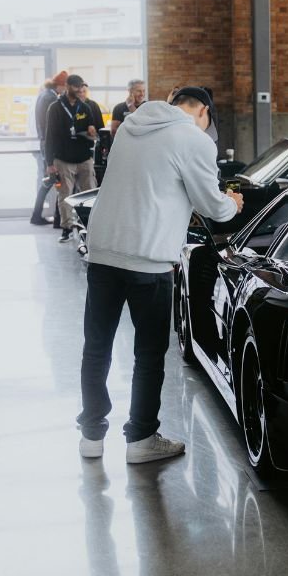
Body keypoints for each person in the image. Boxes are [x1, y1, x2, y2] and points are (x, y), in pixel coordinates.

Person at [78, 89, 244, 463]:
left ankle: (91, 434)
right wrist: (231, 202)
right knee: (149, 352)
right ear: (203, 111)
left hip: (104, 250)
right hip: (148, 260)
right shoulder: (193, 140)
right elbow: (212, 207)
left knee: (97, 345)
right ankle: (140, 438)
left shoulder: (130, 127)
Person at [46, 74, 100, 242]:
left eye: (82, 87)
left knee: (89, 194)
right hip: (63, 159)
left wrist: (92, 132)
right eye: (76, 86)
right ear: (68, 86)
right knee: (65, 196)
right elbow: (50, 136)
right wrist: (50, 163)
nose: (80, 90)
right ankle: (67, 228)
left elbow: (94, 131)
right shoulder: (55, 108)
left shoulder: (85, 108)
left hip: (84, 158)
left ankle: (89, 226)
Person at [30, 71, 68, 225]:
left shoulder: (44, 95)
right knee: (53, 180)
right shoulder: (50, 98)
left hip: (46, 144)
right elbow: (51, 126)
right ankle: (52, 218)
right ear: (61, 85)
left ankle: (41, 215)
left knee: (50, 181)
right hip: (50, 146)